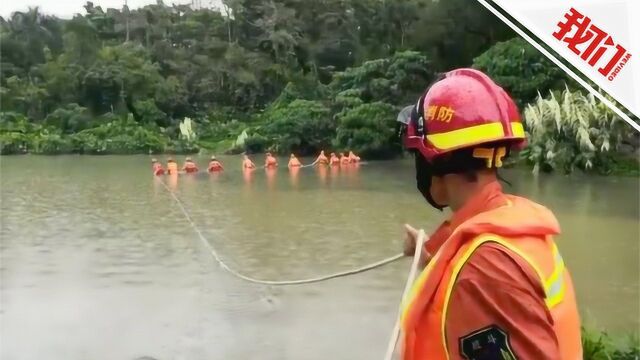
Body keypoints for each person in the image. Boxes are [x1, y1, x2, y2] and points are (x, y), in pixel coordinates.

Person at [397, 68, 582, 360]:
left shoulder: (483, 271)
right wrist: (429, 257)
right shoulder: (512, 227)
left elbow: (487, 286)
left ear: (434, 163)